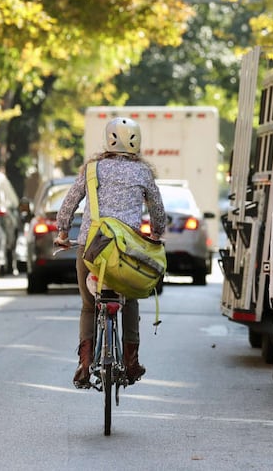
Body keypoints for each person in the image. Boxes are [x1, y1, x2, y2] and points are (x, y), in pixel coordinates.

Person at [55, 117, 166, 388]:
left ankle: (84, 362)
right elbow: (158, 211)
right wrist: (156, 233)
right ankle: (130, 361)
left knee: (88, 305)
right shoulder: (142, 173)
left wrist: (62, 232)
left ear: (107, 141)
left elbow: (69, 203)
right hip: (125, 254)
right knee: (130, 299)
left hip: (91, 250)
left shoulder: (93, 169)